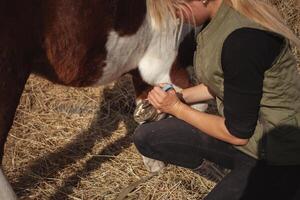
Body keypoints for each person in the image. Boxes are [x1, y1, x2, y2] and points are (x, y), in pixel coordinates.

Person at [133, 0, 300, 199]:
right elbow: (224, 83)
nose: (174, 16)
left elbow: (237, 133)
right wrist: (178, 96)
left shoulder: (243, 41)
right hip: (248, 141)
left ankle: (277, 188)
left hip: (276, 155)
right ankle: (233, 179)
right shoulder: (216, 22)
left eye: (174, 9)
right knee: (148, 136)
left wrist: (176, 108)